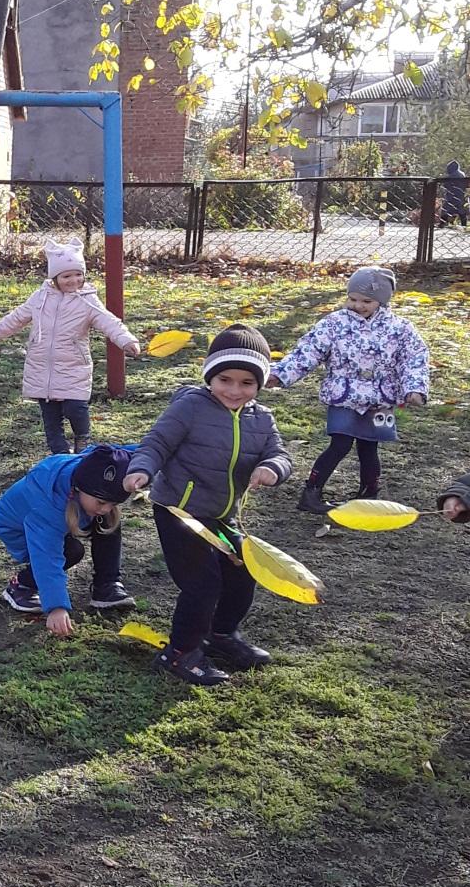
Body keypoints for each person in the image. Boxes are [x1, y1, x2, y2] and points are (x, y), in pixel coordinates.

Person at [123, 326, 293, 686]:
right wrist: (141, 470)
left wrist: (272, 469)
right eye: (225, 379)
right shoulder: (190, 408)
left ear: (259, 385)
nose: (234, 390)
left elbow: (279, 454)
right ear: (209, 376)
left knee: (242, 572)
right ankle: (179, 653)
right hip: (179, 513)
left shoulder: (261, 419)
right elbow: (156, 443)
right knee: (202, 584)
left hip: (222, 515)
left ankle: (220, 634)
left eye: (247, 382)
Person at [266, 266, 430, 513]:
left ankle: (369, 494)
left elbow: (414, 358)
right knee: (340, 443)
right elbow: (308, 351)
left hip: (380, 399)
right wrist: (280, 374)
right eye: (352, 299)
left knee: (369, 446)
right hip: (344, 395)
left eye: (367, 301)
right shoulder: (334, 323)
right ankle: (311, 492)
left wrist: (414, 388)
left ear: (382, 301)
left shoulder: (400, 329)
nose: (358, 305)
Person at [0, 239, 140, 454]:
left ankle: (82, 439)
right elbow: (14, 320)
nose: (73, 280)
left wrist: (127, 341)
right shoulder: (40, 298)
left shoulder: (88, 301)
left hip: (73, 367)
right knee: (51, 421)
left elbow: (110, 322)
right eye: (66, 276)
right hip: (41, 370)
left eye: (78, 274)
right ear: (54, 278)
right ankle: (60, 459)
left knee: (75, 408)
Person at [0, 444, 139, 632]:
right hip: (16, 526)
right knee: (71, 551)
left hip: (67, 509)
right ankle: (22, 585)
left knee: (109, 521)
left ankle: (106, 586)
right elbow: (46, 557)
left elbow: (135, 451)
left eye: (114, 503)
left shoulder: (95, 465)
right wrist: (56, 607)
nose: (106, 507)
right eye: (101, 502)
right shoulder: (47, 505)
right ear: (78, 488)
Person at [440, 161, 468, 227]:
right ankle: (464, 225)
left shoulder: (453, 175)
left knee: (445, 209)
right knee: (461, 211)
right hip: (460, 196)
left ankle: (442, 224)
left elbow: (446, 185)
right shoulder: (462, 174)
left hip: (451, 196)